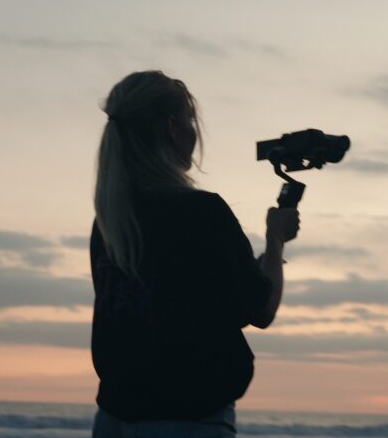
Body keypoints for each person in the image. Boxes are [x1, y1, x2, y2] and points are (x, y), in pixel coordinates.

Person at [90, 70, 299, 437]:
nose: (194, 132)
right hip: (187, 421)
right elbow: (260, 309)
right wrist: (276, 238)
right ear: (172, 129)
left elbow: (176, 296)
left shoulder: (110, 221)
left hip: (114, 420)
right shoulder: (201, 212)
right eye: (189, 121)